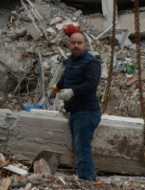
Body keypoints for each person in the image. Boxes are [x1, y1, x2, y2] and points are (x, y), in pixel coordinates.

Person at [53, 29, 101, 181]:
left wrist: (72, 92)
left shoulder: (91, 62)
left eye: (79, 43)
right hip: (75, 112)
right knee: (79, 148)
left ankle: (87, 180)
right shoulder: (71, 61)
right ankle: (84, 178)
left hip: (87, 112)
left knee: (82, 148)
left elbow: (92, 84)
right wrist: (54, 89)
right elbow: (64, 80)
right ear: (69, 44)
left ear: (85, 45)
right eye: (73, 43)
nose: (76, 46)